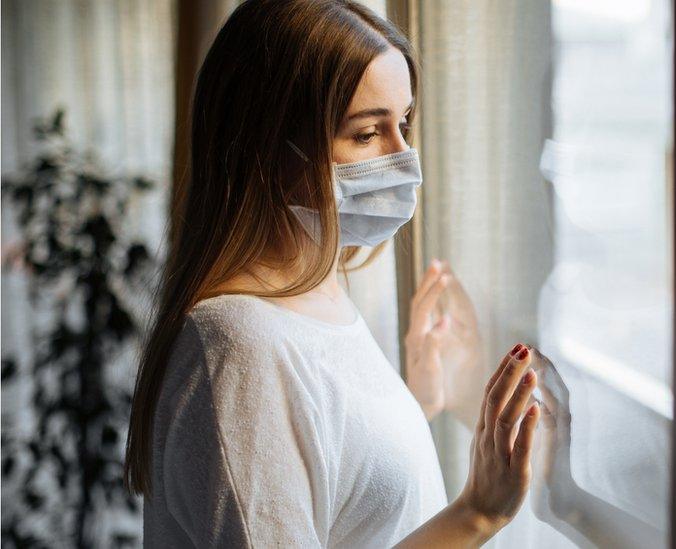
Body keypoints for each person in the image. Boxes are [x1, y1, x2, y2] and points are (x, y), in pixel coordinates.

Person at [121, 1, 541, 546]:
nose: (404, 157)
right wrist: (479, 513)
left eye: (404, 123)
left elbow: (340, 494)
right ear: (268, 147)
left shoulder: (315, 292)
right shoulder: (237, 345)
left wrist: (412, 403)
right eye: (367, 134)